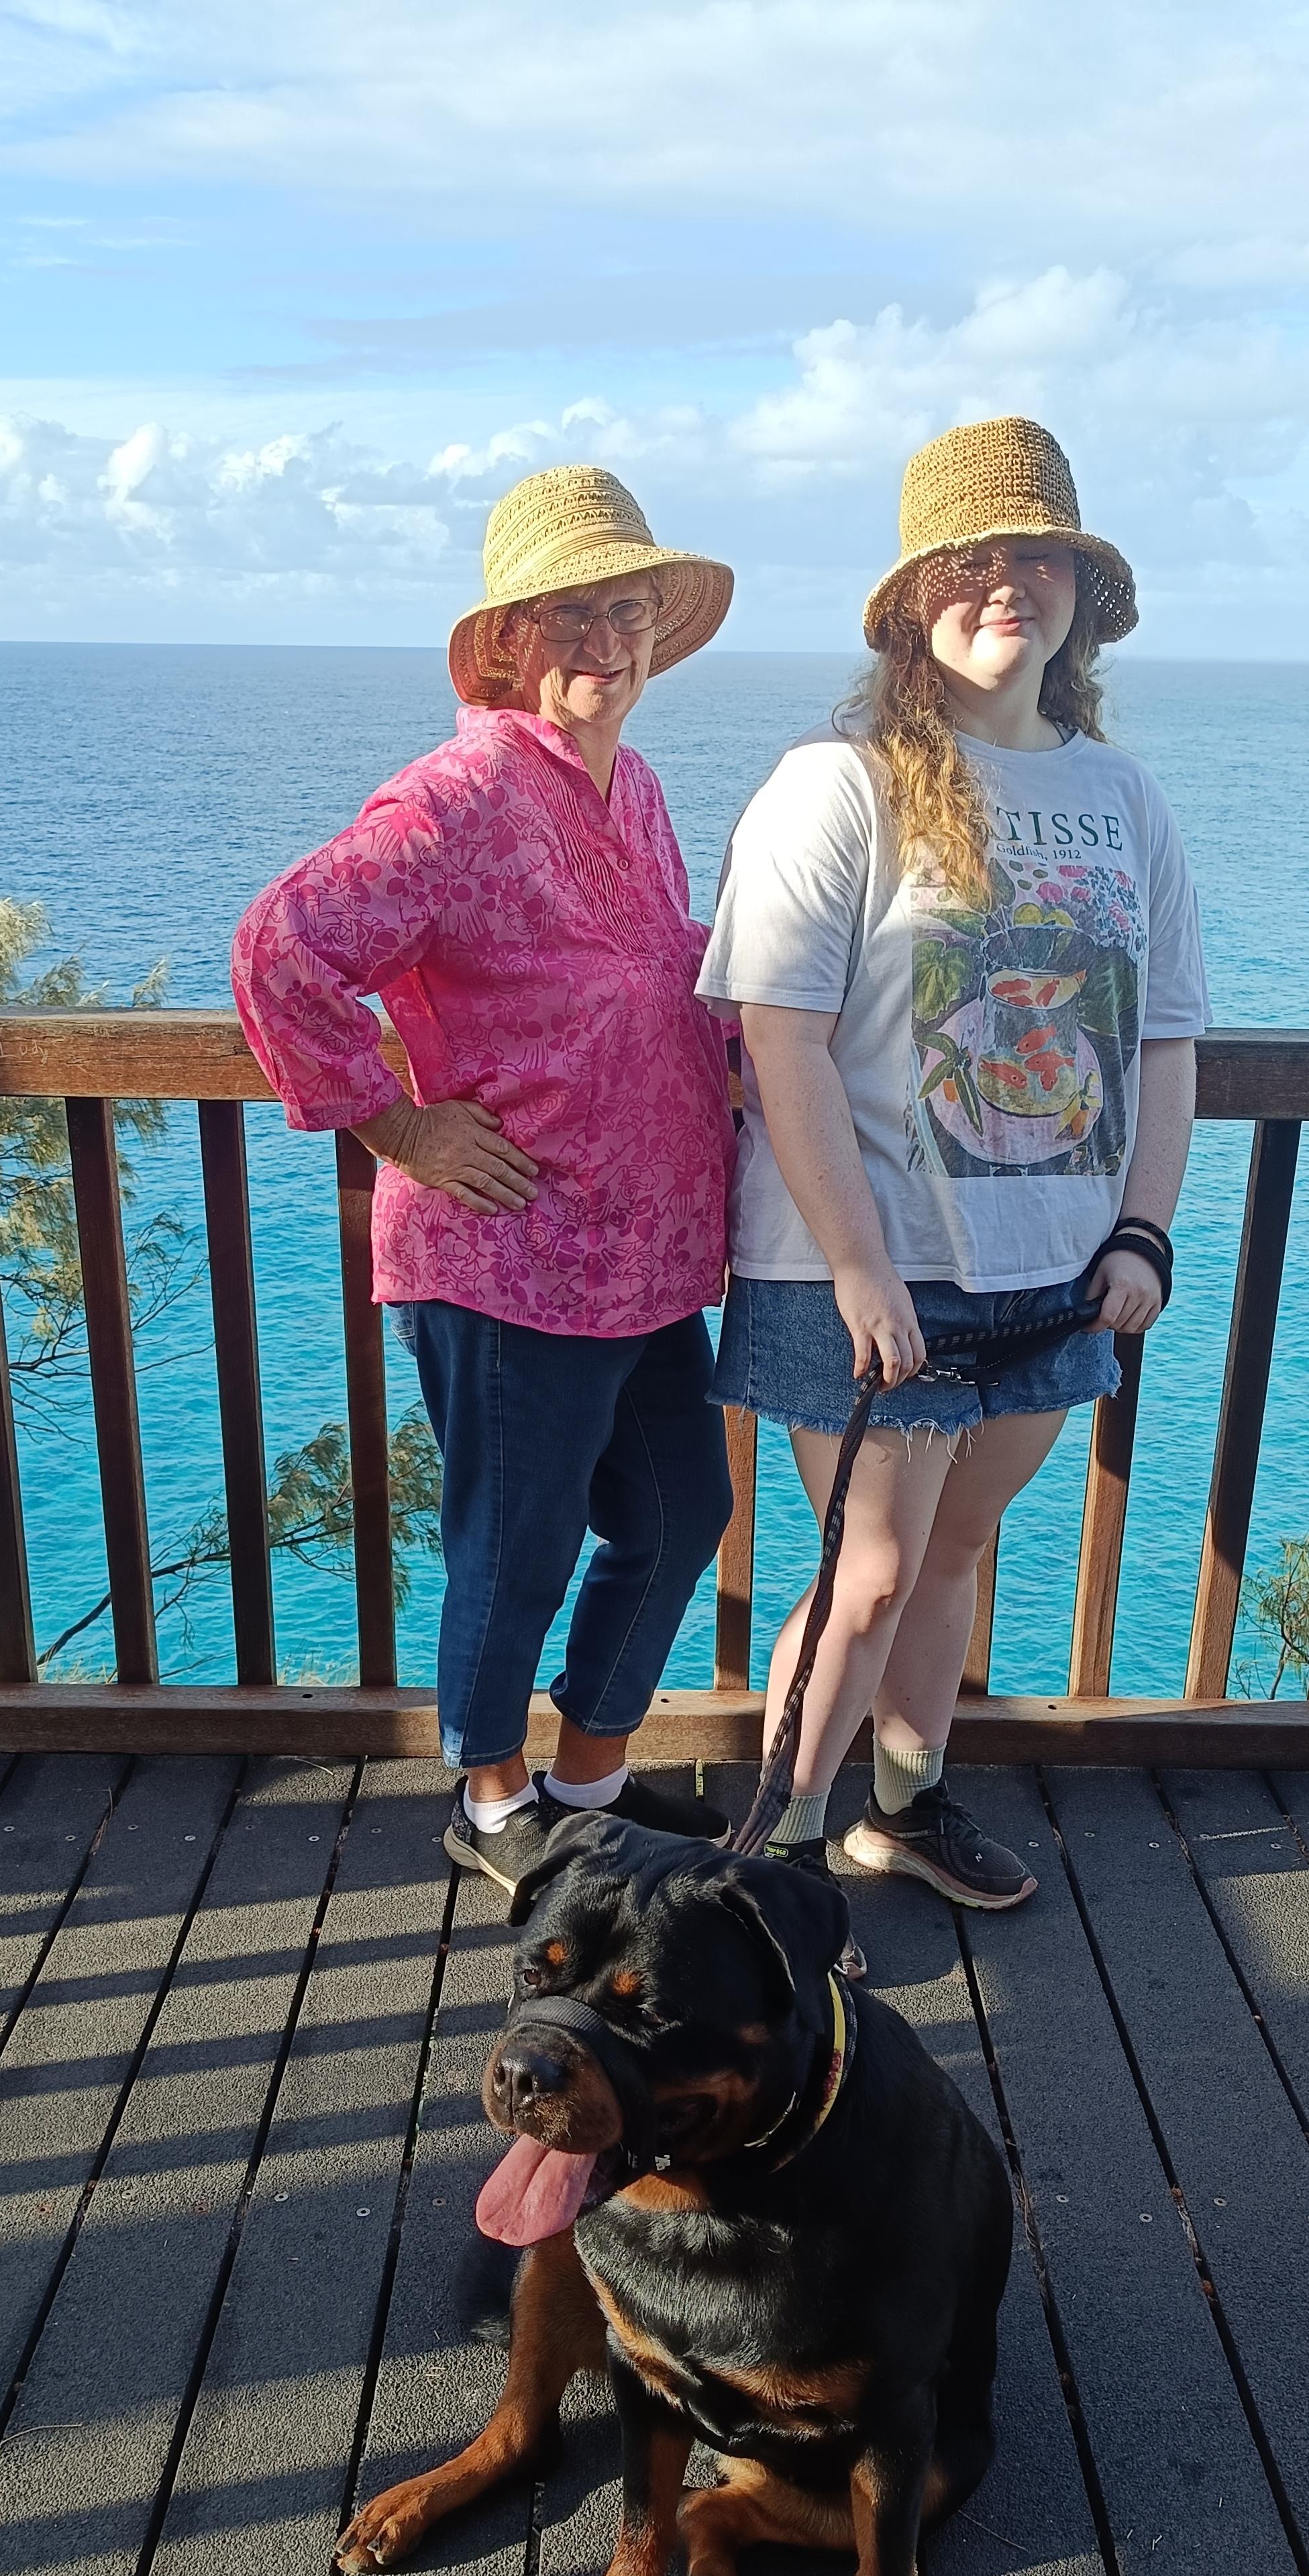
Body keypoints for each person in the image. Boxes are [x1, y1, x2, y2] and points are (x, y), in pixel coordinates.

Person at [698, 417, 1205, 1909]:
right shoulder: (835, 784)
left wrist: (1146, 1235)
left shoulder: (1123, 801)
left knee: (956, 1548)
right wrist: (860, 1264)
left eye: (1034, 555)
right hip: (865, 1267)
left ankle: (904, 1807)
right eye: (971, 562)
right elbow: (775, 1038)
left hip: (1055, 1269)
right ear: (919, 597)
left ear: (1079, 592)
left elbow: (1164, 1042)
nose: (1007, 586)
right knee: (864, 1581)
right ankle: (773, 1865)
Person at [233, 465, 738, 1895]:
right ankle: (492, 1798)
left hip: (640, 1256)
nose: (608, 639)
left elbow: (640, 978)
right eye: (572, 611)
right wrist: (395, 1124)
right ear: (512, 640)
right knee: (514, 1546)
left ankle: (588, 1777)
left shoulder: (629, 788)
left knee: (677, 1511)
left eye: (630, 609)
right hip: (508, 1253)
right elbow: (283, 947)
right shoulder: (454, 796)